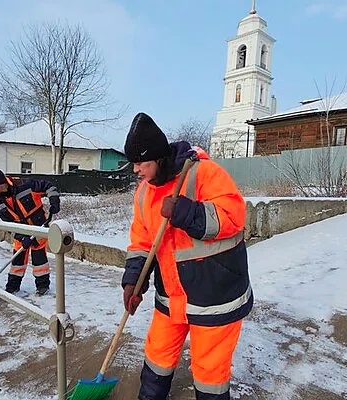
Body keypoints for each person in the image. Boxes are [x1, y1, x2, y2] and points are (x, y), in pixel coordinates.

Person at [121, 112, 253, 400]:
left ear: (157, 158)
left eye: (141, 163)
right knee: (157, 354)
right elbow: (142, 241)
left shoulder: (204, 173)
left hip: (214, 296)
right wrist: (133, 280)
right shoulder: (144, 193)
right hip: (172, 296)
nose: (135, 170)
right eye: (133, 163)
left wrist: (186, 212)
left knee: (209, 371)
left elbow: (233, 217)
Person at [0, 168, 61, 296]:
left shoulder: (25, 185)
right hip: (19, 232)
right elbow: (8, 225)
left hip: (38, 228)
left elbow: (49, 186)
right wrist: (21, 237)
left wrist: (54, 201)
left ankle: (42, 286)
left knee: (39, 259)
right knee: (17, 262)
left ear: (0, 183)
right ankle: (12, 287)